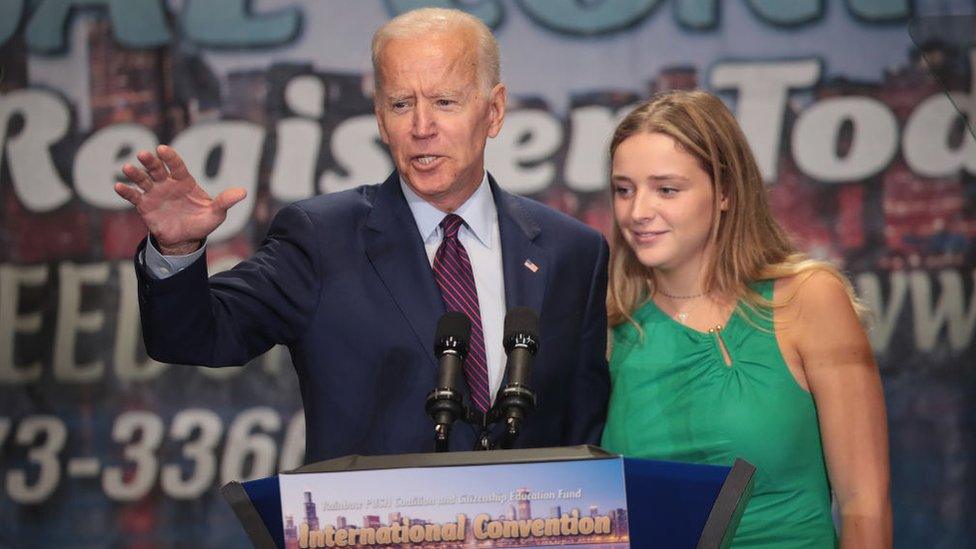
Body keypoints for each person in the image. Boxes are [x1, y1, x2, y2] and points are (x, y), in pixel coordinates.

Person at [113, 8, 609, 463]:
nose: (421, 126)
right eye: (400, 103)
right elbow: (197, 336)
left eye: (444, 101)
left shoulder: (572, 253)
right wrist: (176, 251)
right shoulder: (322, 238)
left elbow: (584, 428)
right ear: (379, 117)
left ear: (494, 111)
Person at [600, 90, 891, 547]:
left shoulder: (808, 298)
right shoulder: (612, 326)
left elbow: (864, 502)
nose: (637, 212)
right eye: (624, 190)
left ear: (726, 192)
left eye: (666, 189)